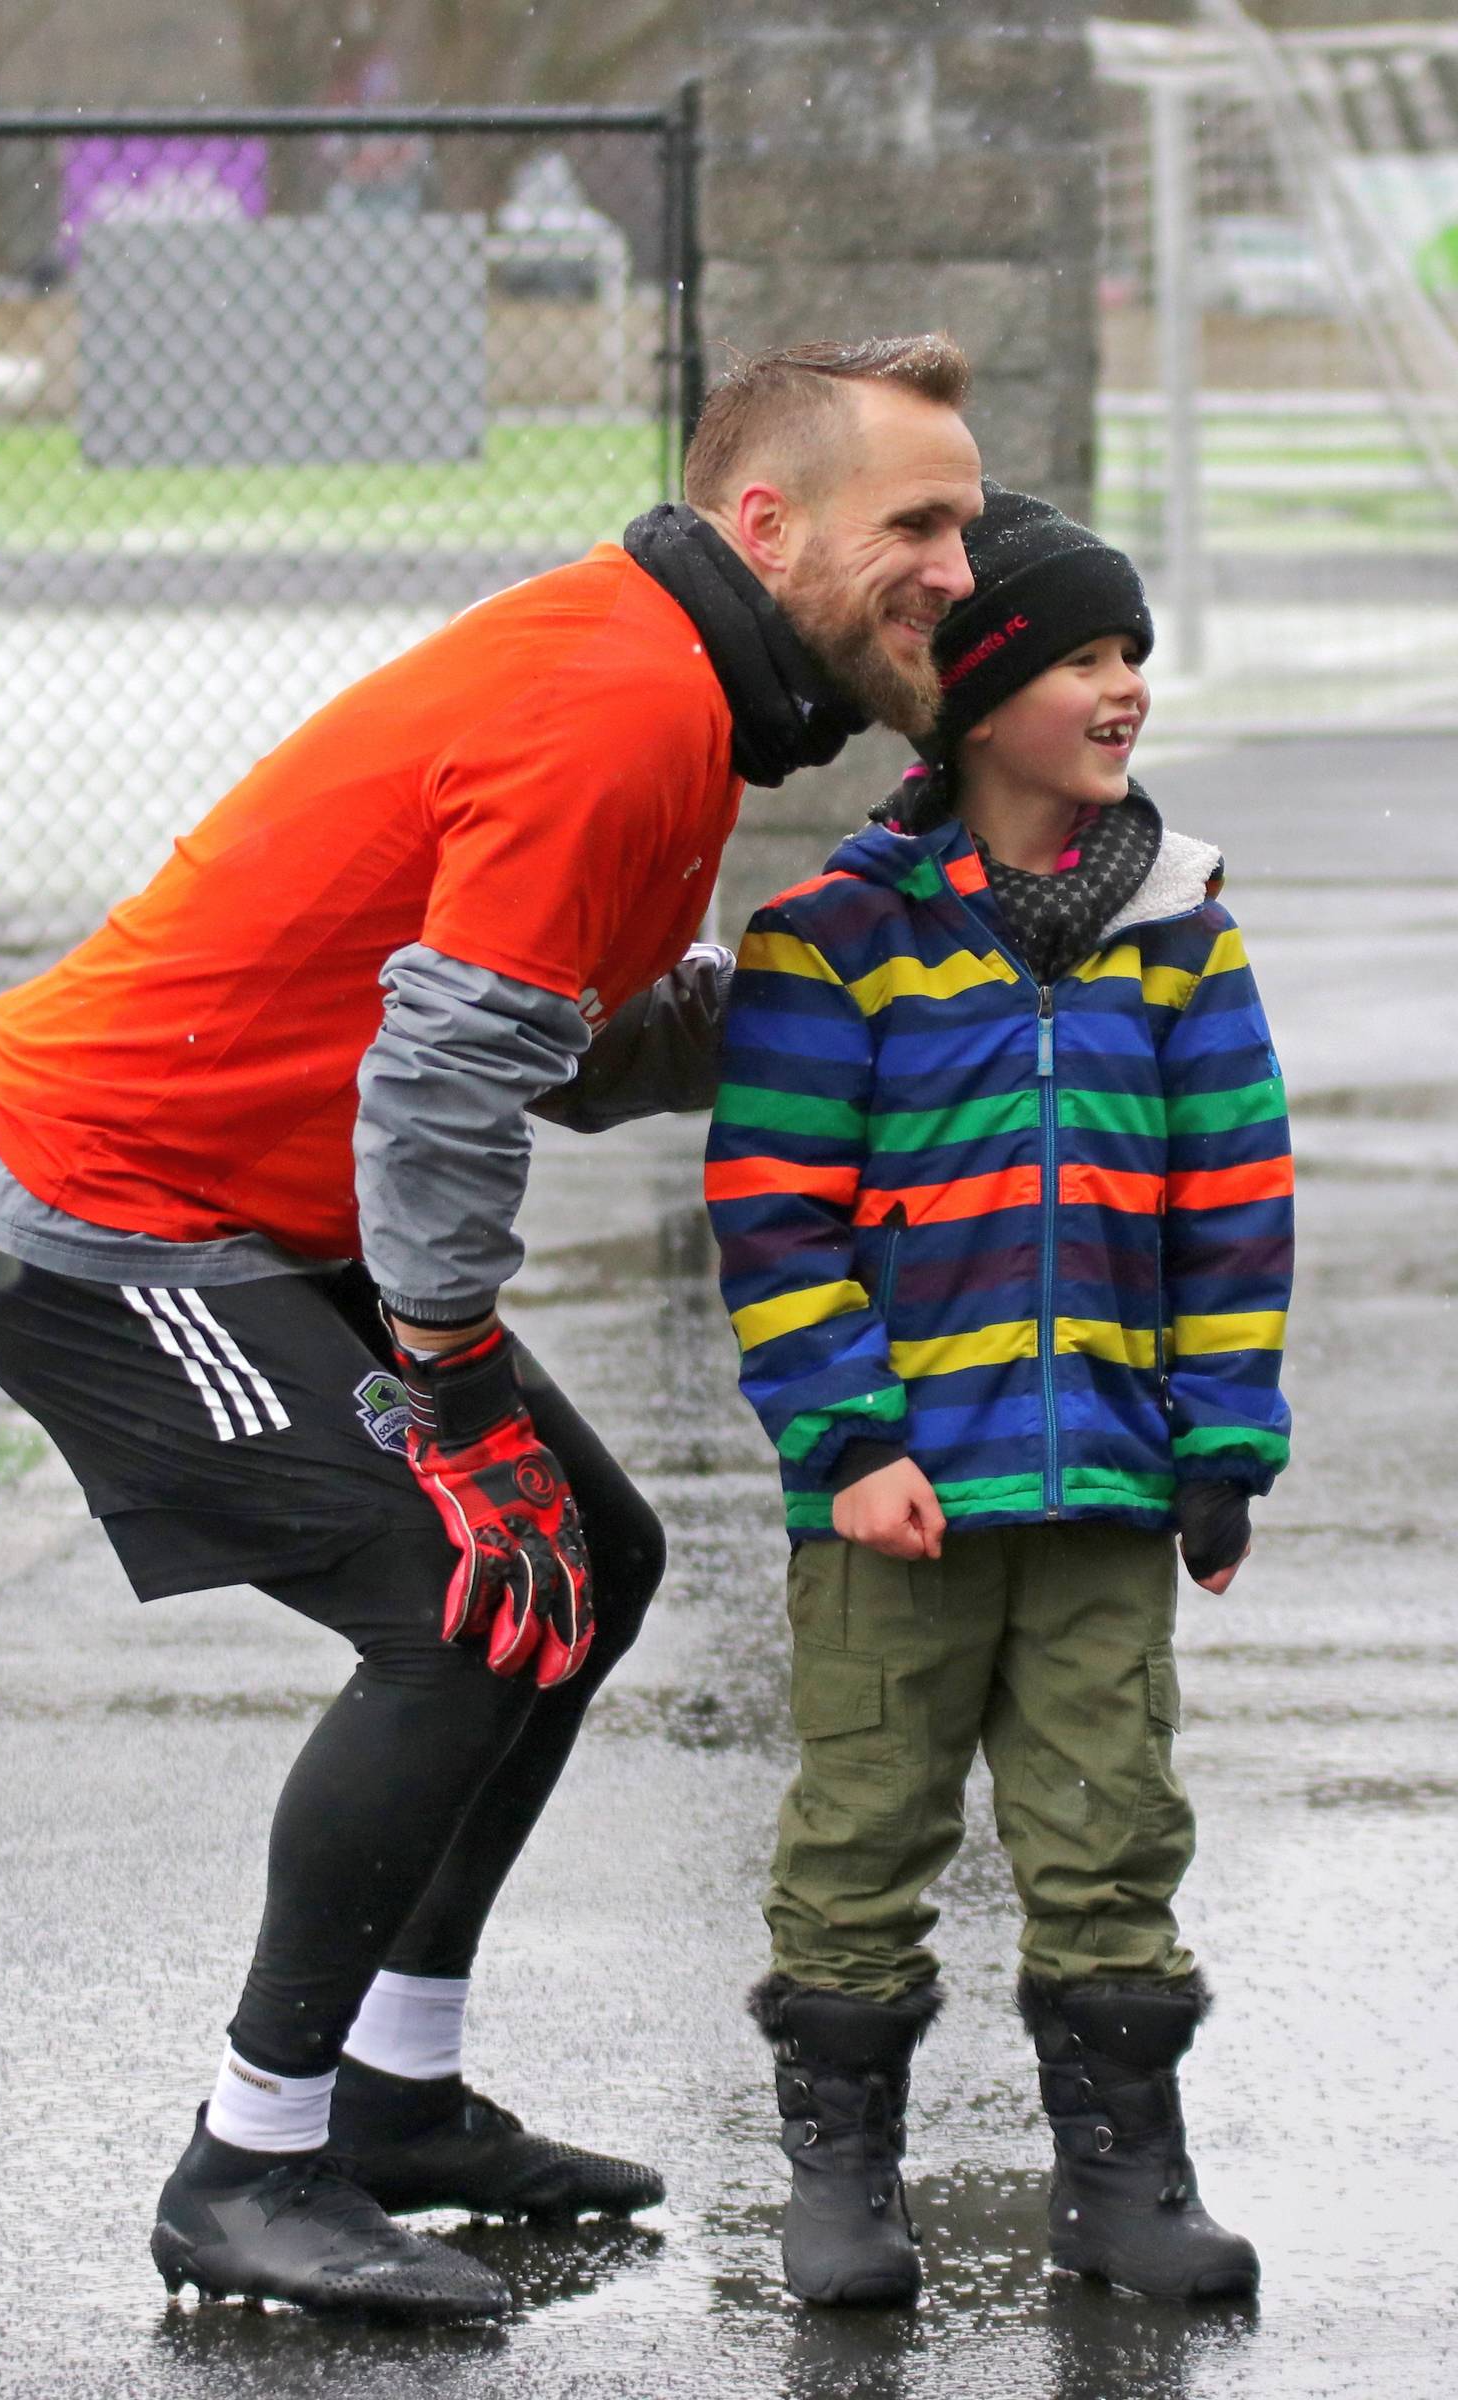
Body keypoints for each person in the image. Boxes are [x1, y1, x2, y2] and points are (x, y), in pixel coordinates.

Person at [0, 336, 984, 2320]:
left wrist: (832, 1017)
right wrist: (460, 1393)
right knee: (461, 1599)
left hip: (249, 1188)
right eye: (912, 523)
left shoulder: (674, 678)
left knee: (590, 1564)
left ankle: (393, 2096)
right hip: (88, 1206)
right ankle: (245, 2160)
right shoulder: (622, 710)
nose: (952, 564)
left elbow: (566, 1048)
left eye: (968, 525)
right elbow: (442, 1087)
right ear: (766, 525)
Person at [705, 484, 1293, 2310]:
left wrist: (1225, 1444)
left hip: (1110, 1492)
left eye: (1135, 655)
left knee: (1112, 1829)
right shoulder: (837, 939)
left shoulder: (1183, 931)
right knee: (864, 1829)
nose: (1125, 688)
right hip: (901, 1503)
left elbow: (1237, 1203)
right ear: (975, 698)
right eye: (1082, 658)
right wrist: (849, 1441)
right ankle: (842, 2181)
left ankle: (1126, 2186)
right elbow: (773, 1212)